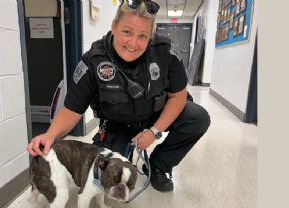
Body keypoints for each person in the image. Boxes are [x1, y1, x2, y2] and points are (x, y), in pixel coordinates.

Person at [27, 0, 211, 192]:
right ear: (114, 26)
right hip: (118, 124)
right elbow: (73, 109)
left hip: (154, 116)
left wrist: (154, 132)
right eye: (127, 32)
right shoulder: (94, 60)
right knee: (104, 178)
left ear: (151, 36)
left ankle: (158, 165)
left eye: (143, 36)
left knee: (197, 118)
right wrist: (50, 134)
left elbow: (178, 97)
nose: (133, 43)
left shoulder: (165, 51)